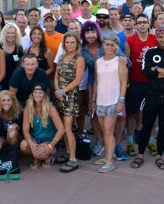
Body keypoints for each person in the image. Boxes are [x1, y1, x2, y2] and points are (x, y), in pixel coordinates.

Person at [130, 26, 164, 171]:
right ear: (157, 37)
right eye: (161, 37)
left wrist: (156, 68)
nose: (163, 40)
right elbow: (146, 72)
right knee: (147, 125)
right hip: (151, 95)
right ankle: (140, 154)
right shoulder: (150, 52)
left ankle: (159, 156)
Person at [91, 33, 128, 173]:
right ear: (103, 46)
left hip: (113, 101)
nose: (109, 47)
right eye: (107, 44)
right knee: (105, 131)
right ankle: (107, 156)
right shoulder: (98, 61)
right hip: (100, 101)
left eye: (112, 45)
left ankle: (110, 161)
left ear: (116, 47)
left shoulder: (120, 61)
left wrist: (121, 101)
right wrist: (94, 99)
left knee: (107, 130)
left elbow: (124, 82)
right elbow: (96, 81)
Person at [124, 14, 158, 156]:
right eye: (140, 23)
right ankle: (130, 141)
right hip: (135, 81)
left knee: (150, 113)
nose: (142, 25)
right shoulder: (130, 40)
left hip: (150, 82)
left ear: (149, 24)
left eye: (145, 22)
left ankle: (151, 141)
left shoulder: (154, 40)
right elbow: (127, 63)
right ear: (136, 25)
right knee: (131, 113)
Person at [54, 32, 85, 173]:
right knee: (62, 127)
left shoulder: (79, 59)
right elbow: (56, 76)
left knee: (68, 127)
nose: (70, 45)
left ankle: (73, 159)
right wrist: (57, 91)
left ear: (77, 44)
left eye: (73, 42)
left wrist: (62, 91)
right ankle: (67, 152)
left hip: (70, 96)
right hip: (60, 96)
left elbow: (78, 80)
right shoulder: (61, 57)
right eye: (67, 42)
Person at [20, 84, 65, 168]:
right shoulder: (28, 108)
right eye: (35, 92)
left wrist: (51, 145)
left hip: (49, 141)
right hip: (36, 140)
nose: (37, 95)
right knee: (23, 145)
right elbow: (25, 130)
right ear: (32, 94)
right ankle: (39, 157)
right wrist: (31, 143)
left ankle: (45, 157)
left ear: (44, 94)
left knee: (43, 152)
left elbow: (61, 129)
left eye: (40, 93)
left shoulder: (50, 108)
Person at [0, 23, 25, 91]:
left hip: (13, 81)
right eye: (8, 33)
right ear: (4, 34)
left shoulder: (19, 48)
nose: (10, 35)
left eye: (13, 33)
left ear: (16, 34)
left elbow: (18, 66)